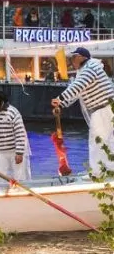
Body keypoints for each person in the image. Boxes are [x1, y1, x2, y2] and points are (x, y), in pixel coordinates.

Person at [52, 47, 114, 177]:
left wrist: (60, 99)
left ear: (81, 57)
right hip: (105, 109)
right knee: (107, 140)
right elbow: (77, 93)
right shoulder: (87, 69)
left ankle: (98, 173)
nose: (71, 60)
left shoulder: (90, 67)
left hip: (103, 109)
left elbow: (78, 86)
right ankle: (107, 170)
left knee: (98, 140)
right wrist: (62, 105)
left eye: (73, 57)